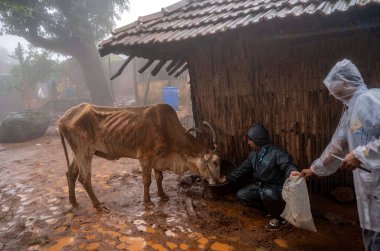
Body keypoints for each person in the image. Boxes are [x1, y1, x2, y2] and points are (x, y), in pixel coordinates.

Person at [300, 59, 380, 251]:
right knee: (371, 237)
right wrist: (313, 170)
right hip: (370, 191)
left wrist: (360, 154)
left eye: (331, 86)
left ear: (344, 83)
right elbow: (336, 146)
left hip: (377, 185)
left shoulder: (369, 100)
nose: (329, 92)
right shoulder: (351, 109)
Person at [227, 123, 299, 231]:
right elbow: (242, 169)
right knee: (242, 195)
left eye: (250, 139)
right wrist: (228, 178)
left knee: (267, 194)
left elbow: (288, 164)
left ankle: (279, 219)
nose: (248, 142)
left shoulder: (276, 152)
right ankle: (270, 210)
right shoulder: (254, 155)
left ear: (258, 140)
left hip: (277, 188)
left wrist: (292, 171)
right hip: (261, 186)